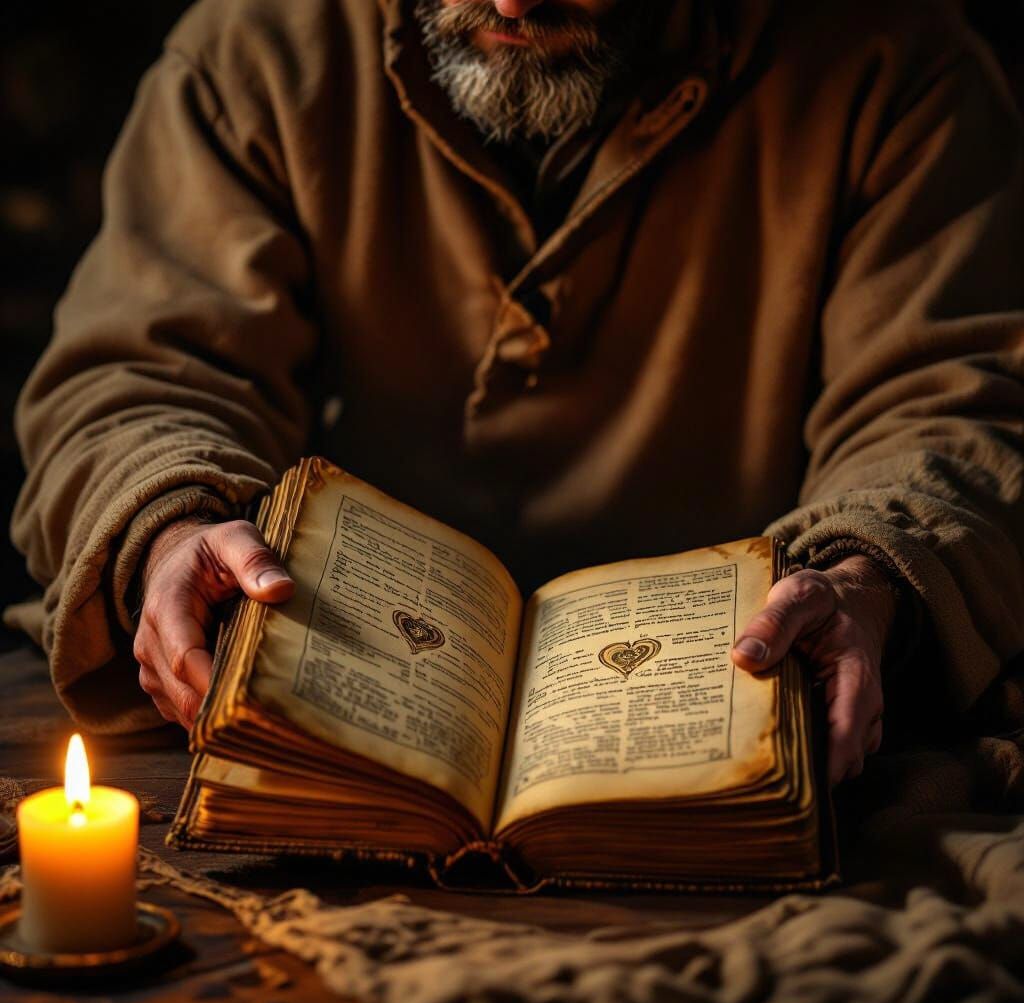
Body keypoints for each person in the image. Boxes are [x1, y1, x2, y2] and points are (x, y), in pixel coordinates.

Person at [9, 0, 1024, 789]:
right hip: (338, 743)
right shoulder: (258, 49)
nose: (510, 2)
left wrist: (868, 576)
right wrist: (169, 521)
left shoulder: (896, 65)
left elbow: (950, 399)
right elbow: (142, 371)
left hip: (744, 730)